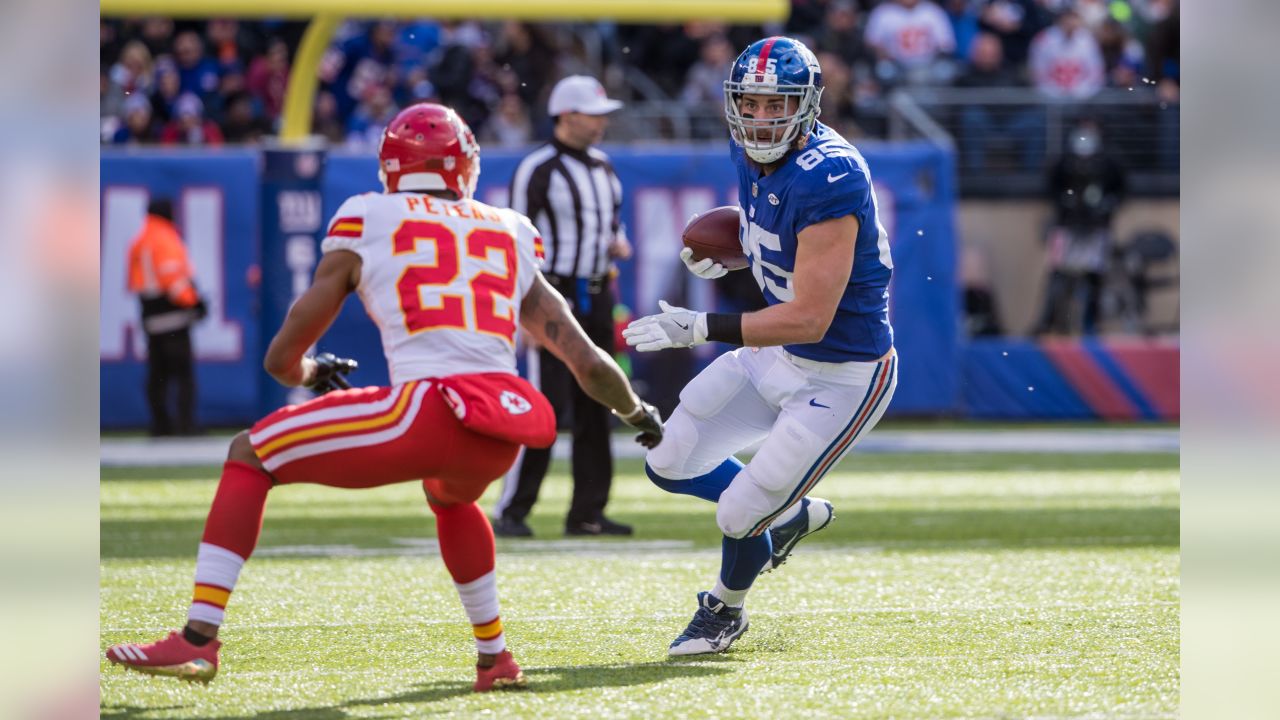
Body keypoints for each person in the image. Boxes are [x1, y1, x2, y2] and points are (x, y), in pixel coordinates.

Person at [105, 103, 662, 690]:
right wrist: (638, 413)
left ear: (392, 167)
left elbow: (281, 358)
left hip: (427, 411)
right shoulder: (510, 229)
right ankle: (495, 658)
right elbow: (586, 360)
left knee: (250, 454)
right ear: (464, 166)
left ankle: (197, 641)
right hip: (500, 427)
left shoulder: (368, 215)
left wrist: (311, 372)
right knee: (452, 500)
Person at [623, 37, 898, 656]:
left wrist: (701, 327)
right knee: (669, 457)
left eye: (778, 104)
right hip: (777, 354)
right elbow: (776, 232)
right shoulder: (749, 149)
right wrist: (738, 253)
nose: (762, 118)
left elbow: (809, 318)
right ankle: (786, 514)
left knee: (736, 515)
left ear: (807, 105)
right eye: (750, 103)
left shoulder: (831, 172)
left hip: (842, 373)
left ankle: (724, 610)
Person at [492, 75, 635, 538]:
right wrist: (521, 312)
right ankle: (513, 508)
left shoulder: (604, 168)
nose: (601, 123)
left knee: (600, 400)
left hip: (596, 292)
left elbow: (611, 227)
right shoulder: (539, 168)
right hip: (550, 295)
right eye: (594, 114)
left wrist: (616, 244)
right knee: (545, 405)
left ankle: (588, 510)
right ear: (566, 115)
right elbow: (512, 243)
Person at [1035, 119, 1126, 335]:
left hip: (1097, 228)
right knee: (1058, 274)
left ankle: (1090, 323)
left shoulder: (1109, 161)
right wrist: (1064, 204)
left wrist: (1106, 206)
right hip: (1067, 226)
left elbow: (1121, 190)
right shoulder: (1064, 160)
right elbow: (1051, 187)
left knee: (1093, 277)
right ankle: (1050, 320)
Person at [127, 197, 207, 436]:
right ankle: (185, 424)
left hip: (150, 317)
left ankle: (160, 424)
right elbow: (173, 279)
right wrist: (195, 302)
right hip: (173, 318)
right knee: (183, 375)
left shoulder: (139, 241)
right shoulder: (165, 238)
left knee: (157, 375)